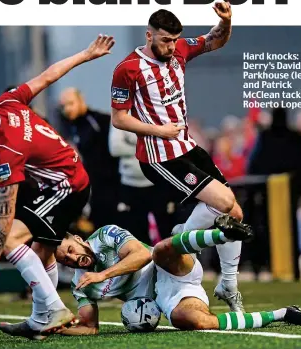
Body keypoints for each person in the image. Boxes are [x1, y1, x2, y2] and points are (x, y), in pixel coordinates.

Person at [0, 34, 115, 337]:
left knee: (11, 240)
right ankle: (40, 319)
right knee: (41, 251)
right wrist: (86, 54)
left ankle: (55, 308)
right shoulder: (7, 102)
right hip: (72, 179)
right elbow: (49, 75)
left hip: (66, 188)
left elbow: (5, 213)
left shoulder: (5, 154)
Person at [110, 4, 246, 311]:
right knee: (222, 203)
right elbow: (119, 118)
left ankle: (228, 284)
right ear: (149, 35)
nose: (171, 47)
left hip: (187, 147)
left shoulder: (180, 50)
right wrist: (158, 130)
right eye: (164, 41)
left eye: (174, 41)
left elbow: (215, 40)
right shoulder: (128, 69)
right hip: (159, 157)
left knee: (234, 213)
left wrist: (226, 20)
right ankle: (180, 238)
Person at [0, 217, 301, 339]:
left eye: (68, 249)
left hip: (170, 268)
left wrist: (102, 274)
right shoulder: (82, 284)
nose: (69, 257)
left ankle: (221, 233)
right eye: (64, 259)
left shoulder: (106, 236)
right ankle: (282, 313)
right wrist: (51, 329)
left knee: (159, 248)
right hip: (164, 298)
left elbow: (142, 255)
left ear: (77, 239)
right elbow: (89, 327)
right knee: (193, 322)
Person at [58, 88, 121, 230]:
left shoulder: (99, 120)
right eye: (63, 106)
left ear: (81, 100)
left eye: (70, 103)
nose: (67, 109)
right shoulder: (72, 126)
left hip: (112, 185)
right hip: (95, 186)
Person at [109, 125, 177, 245]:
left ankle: (171, 262)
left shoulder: (154, 112)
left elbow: (166, 146)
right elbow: (115, 148)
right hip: (130, 184)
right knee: (137, 232)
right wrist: (147, 147)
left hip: (158, 182)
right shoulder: (120, 116)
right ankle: (145, 262)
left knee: (167, 229)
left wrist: (131, 145)